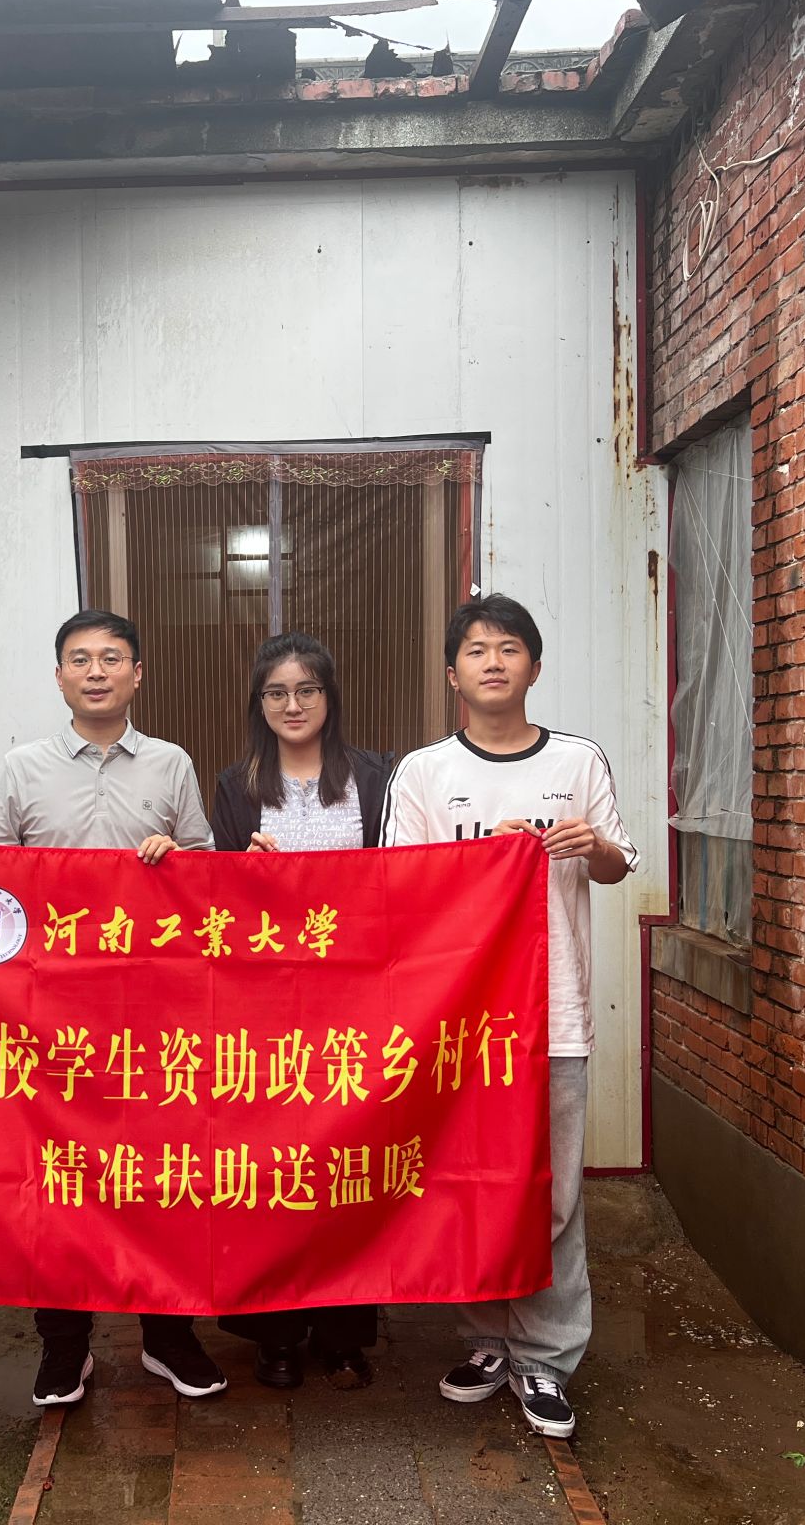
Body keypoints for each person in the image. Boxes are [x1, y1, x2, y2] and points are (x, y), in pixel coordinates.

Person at [379, 593, 636, 1441]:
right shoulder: (424, 773)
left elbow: (616, 866)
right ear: (452, 674)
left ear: (535, 666)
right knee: (470, 1185)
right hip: (460, 1022)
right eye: (477, 650)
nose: (493, 661)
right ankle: (486, 1339)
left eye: (510, 648)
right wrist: (481, 856)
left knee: (554, 1195)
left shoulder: (578, 760)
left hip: (554, 1016)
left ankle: (547, 1358)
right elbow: (397, 888)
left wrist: (590, 846)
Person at [0, 608, 228, 1409]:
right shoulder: (22, 768)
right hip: (50, 1014)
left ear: (136, 674)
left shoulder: (172, 764)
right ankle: (64, 1344)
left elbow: (208, 871)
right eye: (79, 659)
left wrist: (178, 858)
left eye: (111, 658)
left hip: (155, 1011)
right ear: (59, 677)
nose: (95, 672)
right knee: (59, 1177)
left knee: (163, 1169)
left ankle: (168, 1333)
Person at [209, 631, 393, 1391]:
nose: (293, 704)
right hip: (268, 1010)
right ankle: (275, 1333)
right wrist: (243, 877)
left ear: (329, 696)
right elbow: (214, 901)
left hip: (357, 1001)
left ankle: (345, 1333)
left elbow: (405, 880)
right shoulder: (235, 786)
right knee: (273, 1173)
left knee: (348, 1166)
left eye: (307, 689)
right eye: (277, 692)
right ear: (259, 704)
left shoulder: (376, 777)